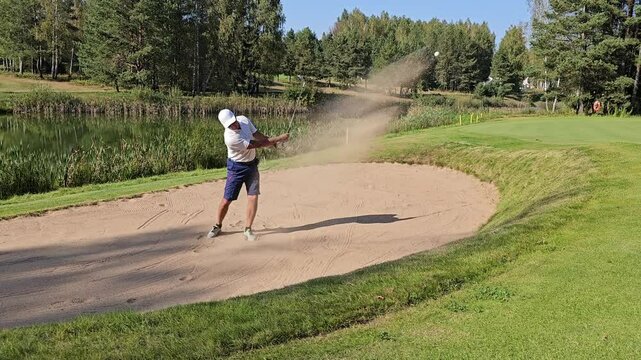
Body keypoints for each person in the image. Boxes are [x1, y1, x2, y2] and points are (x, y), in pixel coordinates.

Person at [207, 109, 289, 241]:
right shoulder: (231, 138)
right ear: (225, 126)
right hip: (236, 168)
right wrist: (279, 138)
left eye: (233, 122)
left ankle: (248, 229)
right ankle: (217, 225)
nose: (233, 126)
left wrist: (272, 143)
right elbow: (256, 144)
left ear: (235, 117)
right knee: (227, 199)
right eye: (229, 125)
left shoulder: (244, 120)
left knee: (253, 197)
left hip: (251, 166)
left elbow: (257, 136)